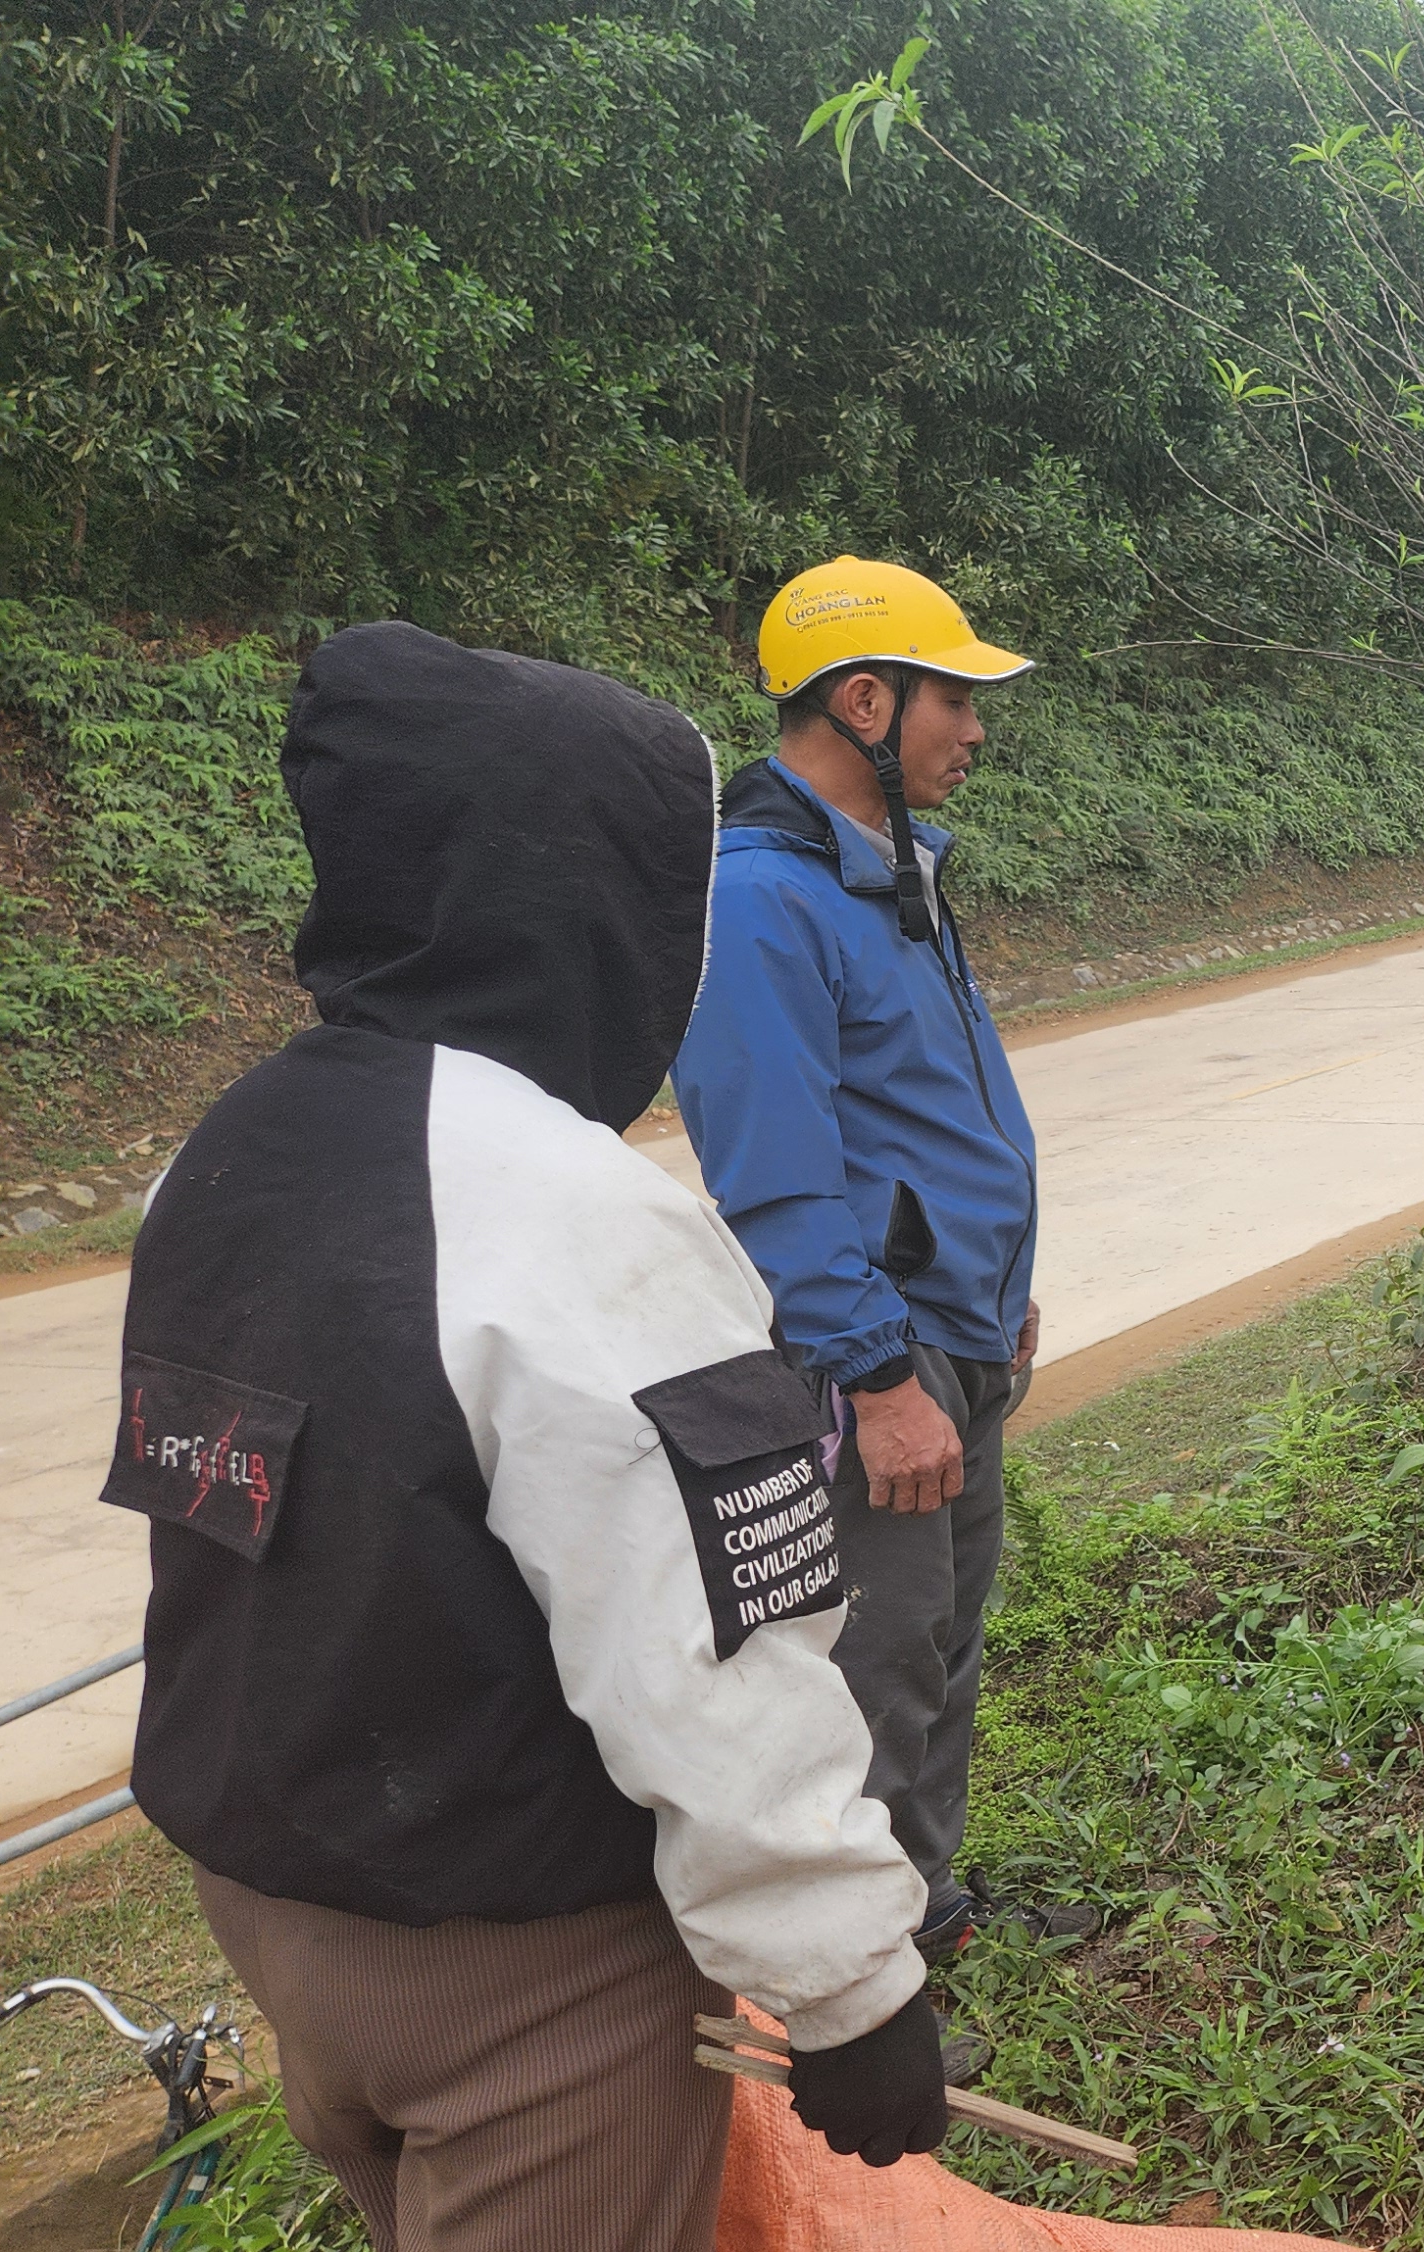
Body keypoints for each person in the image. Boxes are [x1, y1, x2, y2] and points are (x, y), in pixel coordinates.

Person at [114, 623, 950, 2247]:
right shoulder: (578, 1221)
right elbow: (715, 1648)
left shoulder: (227, 1154)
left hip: (282, 1911)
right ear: (591, 903)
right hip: (521, 1972)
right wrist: (850, 1988)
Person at [674, 557, 1083, 2043]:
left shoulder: (892, 870)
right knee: (872, 1661)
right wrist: (875, 1372)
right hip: (876, 1359)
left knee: (945, 1638)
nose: (974, 729)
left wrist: (1001, 1289)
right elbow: (774, 1172)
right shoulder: (763, 901)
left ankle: (925, 1908)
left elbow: (934, 1115)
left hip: (955, 1330)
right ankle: (846, 1999)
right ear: (865, 699)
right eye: (953, 698)